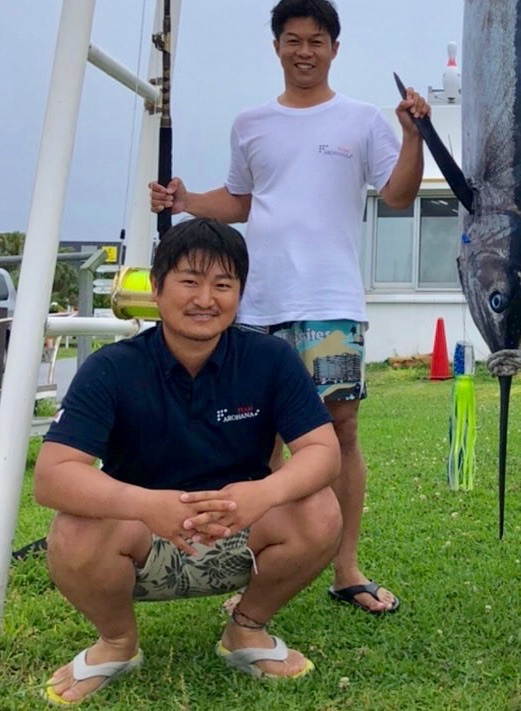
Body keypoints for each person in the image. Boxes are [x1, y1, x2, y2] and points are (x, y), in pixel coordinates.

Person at [150, 0, 430, 615]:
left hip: (331, 300)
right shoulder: (251, 123)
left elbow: (398, 195)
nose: (305, 51)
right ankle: (256, 566)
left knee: (339, 431)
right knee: (258, 437)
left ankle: (346, 568)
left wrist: (412, 137)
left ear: (335, 49)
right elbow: (243, 202)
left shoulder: (362, 120)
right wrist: (187, 201)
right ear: (277, 47)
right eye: (293, 40)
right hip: (255, 304)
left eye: (316, 41)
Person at [36, 219, 341, 704]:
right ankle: (117, 642)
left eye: (222, 284)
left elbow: (324, 452)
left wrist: (263, 493)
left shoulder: (271, 359)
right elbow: (52, 475)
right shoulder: (111, 369)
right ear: (157, 289)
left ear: (240, 293)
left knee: (320, 509)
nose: (205, 299)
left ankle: (247, 628)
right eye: (189, 281)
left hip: (240, 526)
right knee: (73, 530)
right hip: (141, 535)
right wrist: (146, 505)